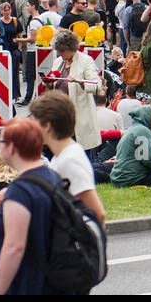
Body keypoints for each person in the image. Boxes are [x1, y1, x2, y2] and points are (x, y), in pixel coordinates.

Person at [0, 117, 74, 295]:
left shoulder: (20, 191)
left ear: (12, 147)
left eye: (0, 142)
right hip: (55, 280)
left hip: (29, 284)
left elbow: (14, 247)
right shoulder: (52, 177)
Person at [29, 91, 105, 227]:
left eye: (34, 122)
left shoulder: (70, 160)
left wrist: (88, 247)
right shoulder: (61, 155)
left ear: (47, 126)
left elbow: (97, 213)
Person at [47, 29, 103, 153]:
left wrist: (79, 81)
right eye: (58, 50)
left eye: (62, 51)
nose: (60, 53)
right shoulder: (58, 62)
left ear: (70, 48)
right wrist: (50, 83)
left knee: (80, 154)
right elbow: (54, 83)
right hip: (60, 116)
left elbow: (97, 85)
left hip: (78, 117)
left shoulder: (85, 61)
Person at [109, 105, 151, 187]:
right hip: (132, 179)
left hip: (120, 178)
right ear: (146, 116)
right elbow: (147, 158)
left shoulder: (133, 129)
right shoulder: (142, 130)